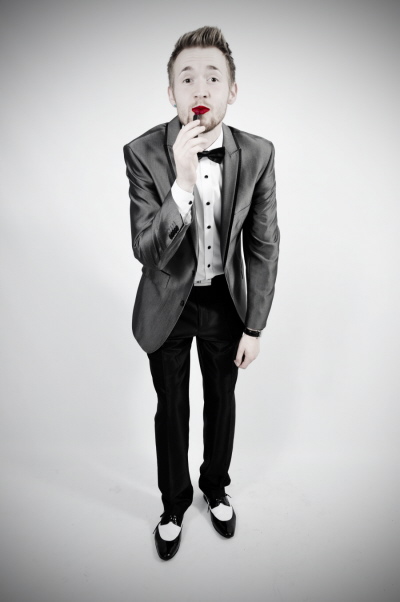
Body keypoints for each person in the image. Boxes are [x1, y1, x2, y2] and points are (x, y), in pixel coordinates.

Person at [123, 25, 280, 561]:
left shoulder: (258, 154)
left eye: (213, 77)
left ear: (232, 89)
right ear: (171, 91)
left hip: (224, 301)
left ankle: (215, 488)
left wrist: (254, 325)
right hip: (168, 301)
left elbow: (264, 245)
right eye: (186, 78)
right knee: (171, 408)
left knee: (221, 402)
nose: (200, 88)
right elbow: (146, 251)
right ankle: (173, 505)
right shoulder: (143, 152)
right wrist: (183, 183)